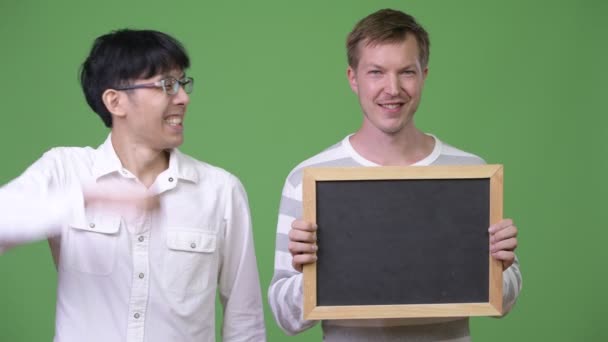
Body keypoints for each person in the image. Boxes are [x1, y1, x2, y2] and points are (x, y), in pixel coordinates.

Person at [268, 9, 522, 342]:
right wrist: (313, 277)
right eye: (376, 72)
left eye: (406, 72)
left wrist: (499, 267)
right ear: (353, 78)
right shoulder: (308, 178)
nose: (392, 88)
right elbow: (286, 319)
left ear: (424, 75)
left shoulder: (471, 174)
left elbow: (503, 301)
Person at [0, 29, 266, 342]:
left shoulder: (221, 190)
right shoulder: (65, 169)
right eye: (166, 85)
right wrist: (90, 197)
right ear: (115, 101)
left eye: (182, 83)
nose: (183, 97)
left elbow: (244, 320)